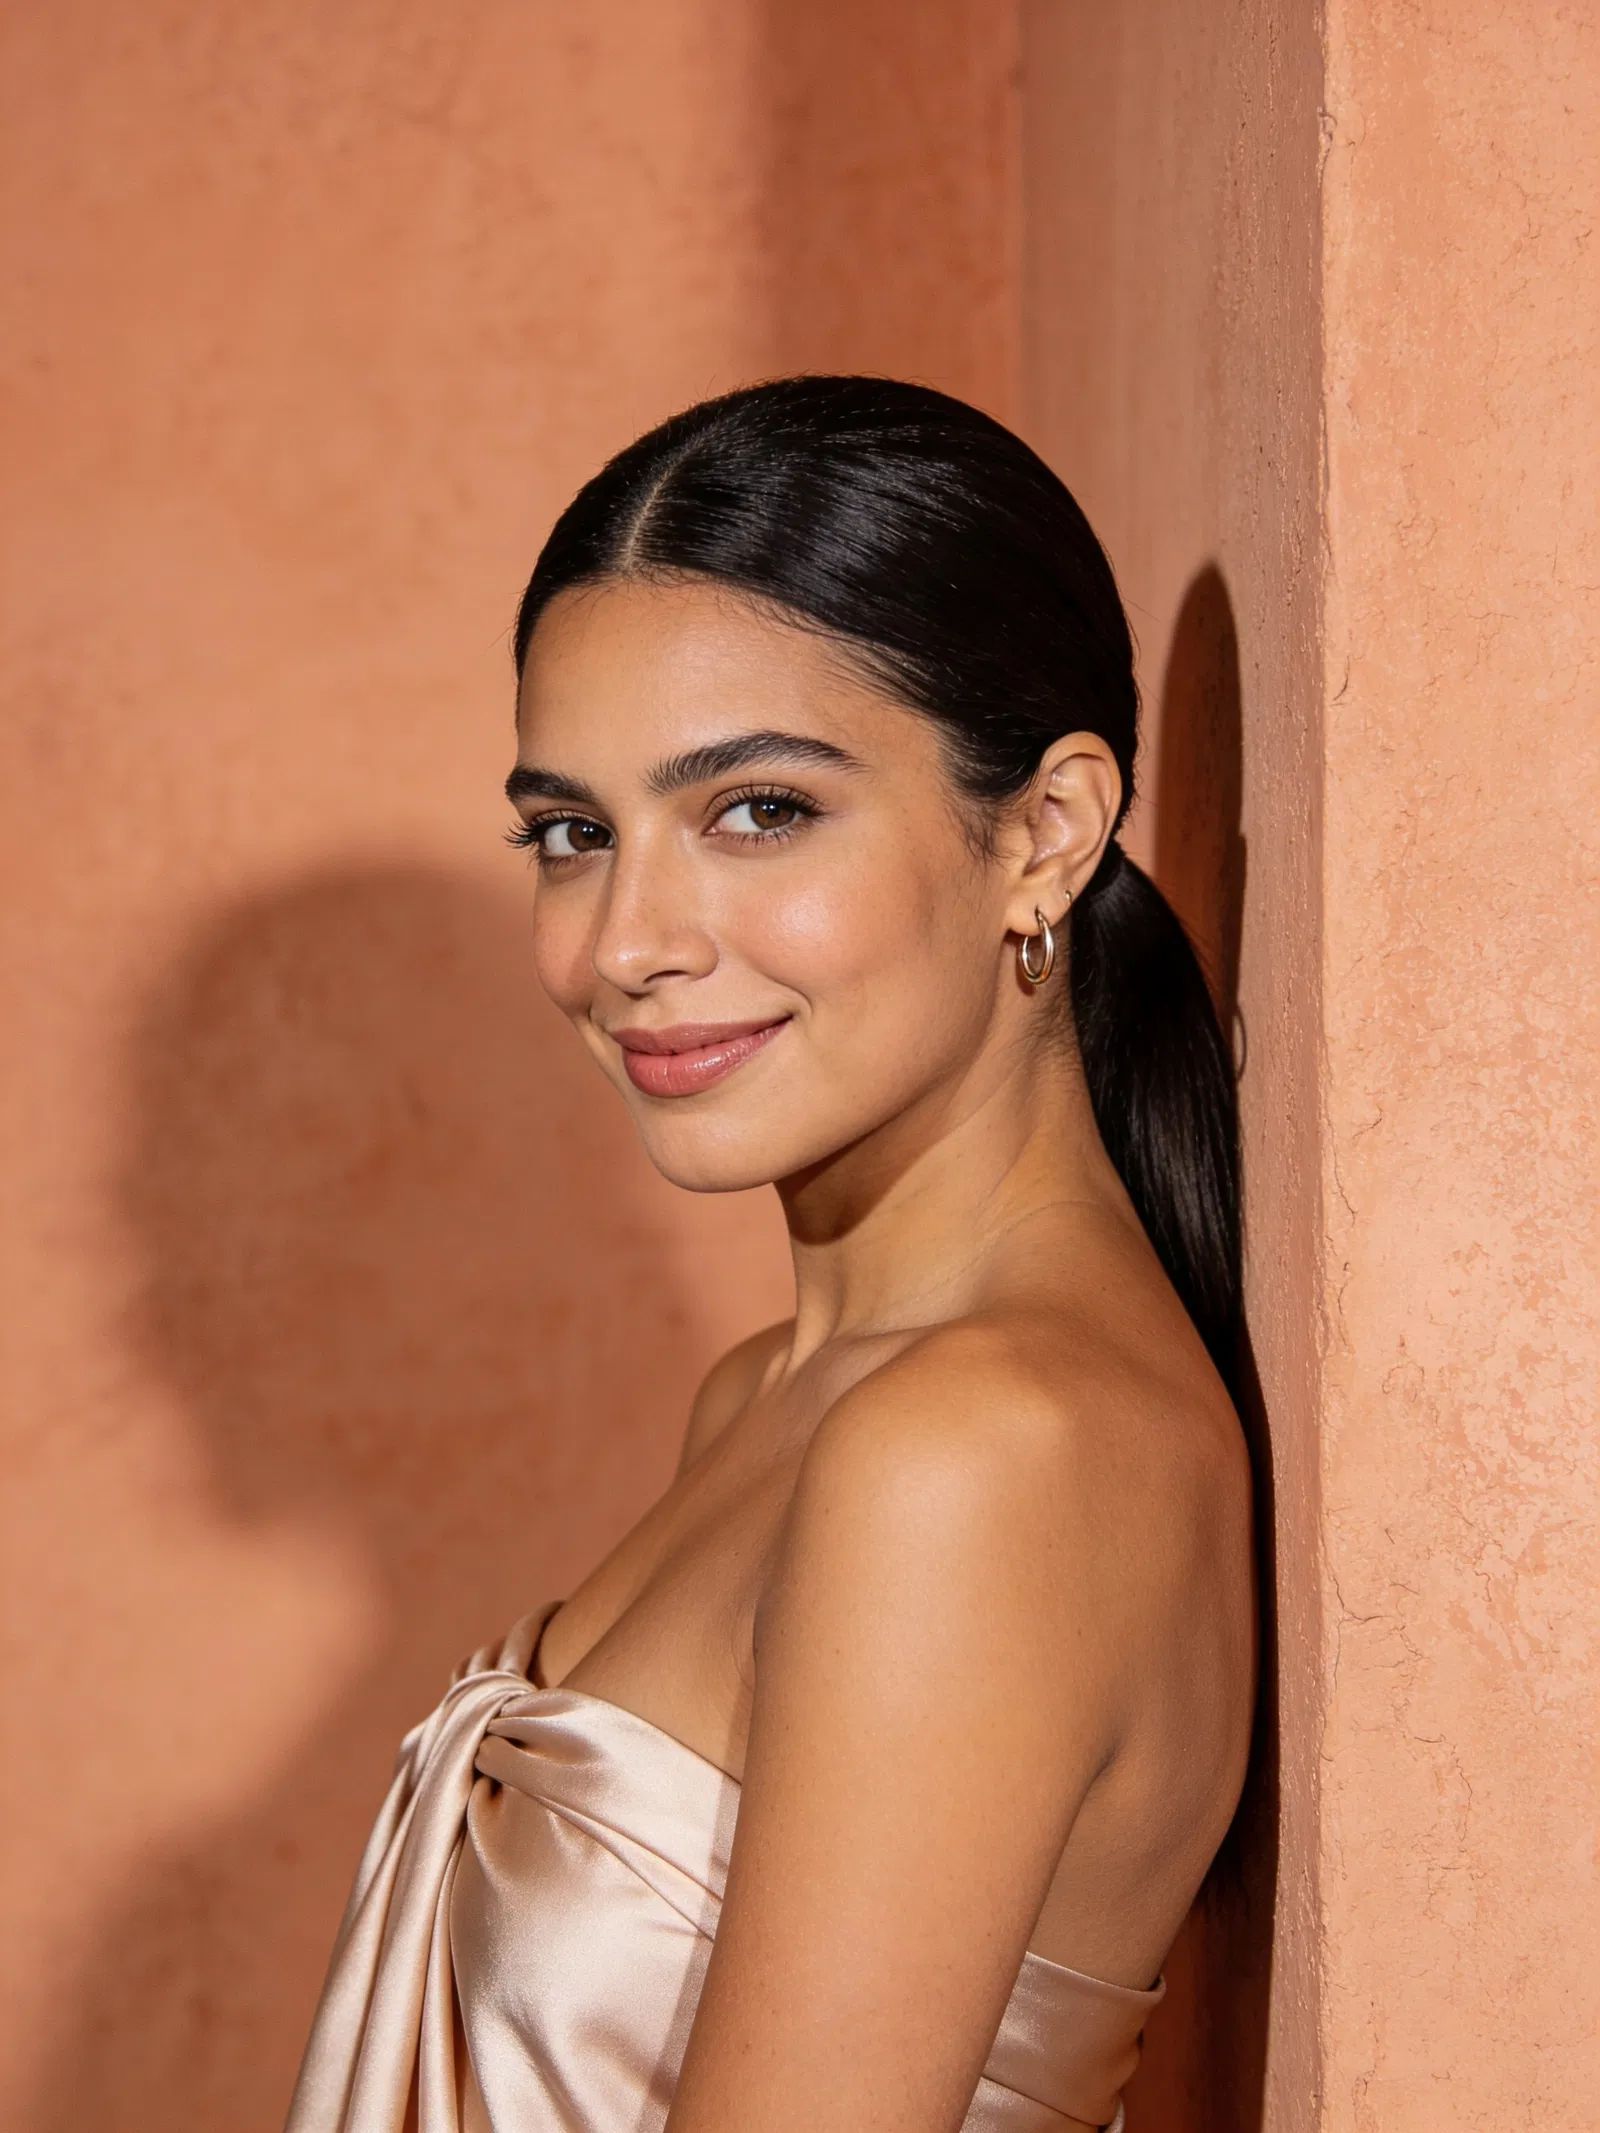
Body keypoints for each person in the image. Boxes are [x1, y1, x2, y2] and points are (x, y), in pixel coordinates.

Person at [287, 377, 1256, 2133]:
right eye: (573, 834)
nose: (625, 944)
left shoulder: (979, 1454)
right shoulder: (781, 1396)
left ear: (1044, 831)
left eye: (757, 811)